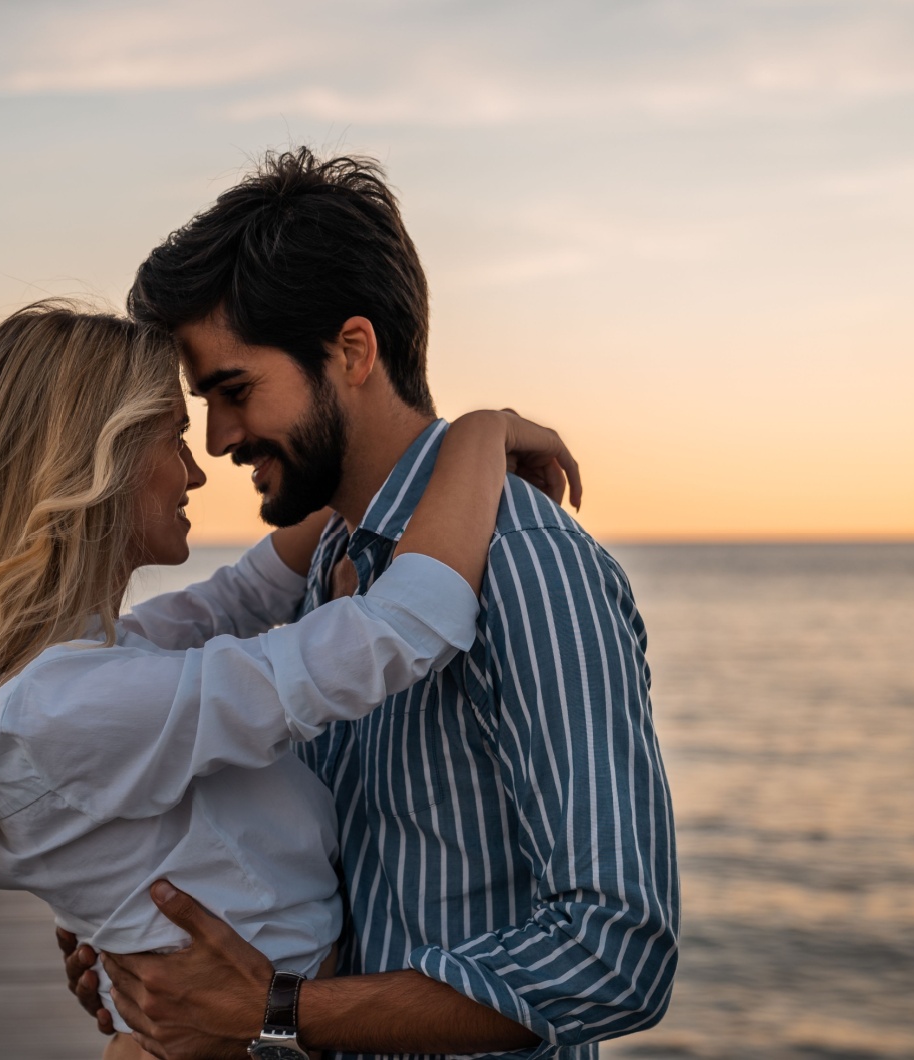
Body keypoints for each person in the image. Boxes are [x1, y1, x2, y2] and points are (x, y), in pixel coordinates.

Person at [61, 150, 679, 1060]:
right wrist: (160, 967)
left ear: (352, 351)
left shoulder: (529, 566)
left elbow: (617, 951)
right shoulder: (334, 560)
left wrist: (274, 1011)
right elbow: (349, 882)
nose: (220, 438)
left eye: (235, 391)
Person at [0, 301, 580, 1058]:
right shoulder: (69, 707)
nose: (199, 469)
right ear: (96, 461)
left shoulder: (75, 673)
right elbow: (401, 629)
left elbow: (241, 595)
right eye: (175, 436)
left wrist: (381, 463)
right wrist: (478, 437)